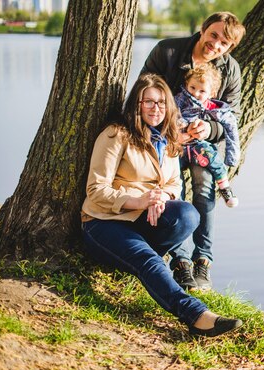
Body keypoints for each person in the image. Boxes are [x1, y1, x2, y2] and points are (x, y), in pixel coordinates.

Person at [81, 73, 242, 338]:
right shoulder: (116, 134)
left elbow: (173, 184)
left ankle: (142, 262)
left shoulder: (168, 140)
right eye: (149, 102)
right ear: (137, 104)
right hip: (104, 222)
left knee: (187, 215)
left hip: (144, 220)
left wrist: (160, 199)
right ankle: (196, 315)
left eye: (161, 103)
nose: (156, 109)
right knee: (148, 260)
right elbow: (95, 190)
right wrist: (139, 201)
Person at [141, 12, 246, 292]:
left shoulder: (231, 71)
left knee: (203, 185)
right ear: (203, 30)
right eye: (213, 35)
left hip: (200, 143)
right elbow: (144, 94)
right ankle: (181, 262)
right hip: (164, 138)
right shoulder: (168, 51)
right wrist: (172, 129)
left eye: (224, 43)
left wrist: (207, 130)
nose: (216, 45)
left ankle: (203, 261)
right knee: (172, 191)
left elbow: (230, 118)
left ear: (230, 47)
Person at [176, 63, 240, 210]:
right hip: (178, 146)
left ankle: (225, 188)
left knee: (213, 159)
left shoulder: (213, 108)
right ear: (187, 84)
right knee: (173, 173)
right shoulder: (179, 100)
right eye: (192, 87)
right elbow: (170, 116)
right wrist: (182, 126)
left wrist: (232, 155)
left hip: (199, 146)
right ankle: (180, 207)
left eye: (202, 91)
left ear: (212, 93)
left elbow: (231, 127)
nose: (195, 93)